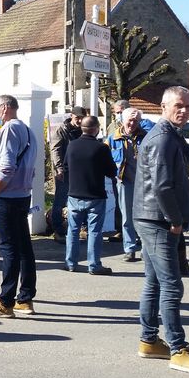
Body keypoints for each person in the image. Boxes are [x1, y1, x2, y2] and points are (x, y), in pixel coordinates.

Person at [132, 86, 189, 375]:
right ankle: (178, 348)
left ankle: (149, 341)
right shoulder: (163, 139)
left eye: (188, 106)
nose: (184, 110)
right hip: (158, 220)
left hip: (152, 216)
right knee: (172, 284)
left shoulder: (168, 136)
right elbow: (162, 186)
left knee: (154, 282)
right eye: (179, 105)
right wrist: (175, 219)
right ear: (164, 106)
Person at [0, 95, 38, 318]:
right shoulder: (28, 130)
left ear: (4, 108)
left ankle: (5, 302)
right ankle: (25, 298)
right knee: (23, 247)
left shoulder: (10, 129)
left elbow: (7, 166)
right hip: (21, 195)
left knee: (9, 248)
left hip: (7, 196)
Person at [64, 116, 118, 275]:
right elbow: (111, 171)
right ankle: (94, 265)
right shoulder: (101, 148)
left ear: (82, 128)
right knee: (94, 231)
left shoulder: (72, 146)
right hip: (95, 194)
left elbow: (66, 166)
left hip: (74, 194)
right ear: (95, 129)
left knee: (72, 231)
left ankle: (71, 263)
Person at [108, 107, 152, 262]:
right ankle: (130, 249)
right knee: (127, 217)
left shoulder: (146, 137)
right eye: (130, 121)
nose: (132, 124)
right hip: (124, 181)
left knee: (145, 217)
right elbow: (106, 158)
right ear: (123, 120)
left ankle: (146, 250)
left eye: (136, 121)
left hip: (144, 183)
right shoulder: (113, 137)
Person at [47, 106, 85, 238]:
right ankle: (58, 228)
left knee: (79, 199)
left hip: (80, 171)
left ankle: (79, 226)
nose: (79, 121)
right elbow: (55, 150)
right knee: (60, 199)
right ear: (71, 116)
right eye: (77, 118)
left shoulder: (83, 130)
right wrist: (59, 168)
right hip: (65, 170)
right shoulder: (62, 130)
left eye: (81, 118)